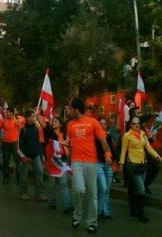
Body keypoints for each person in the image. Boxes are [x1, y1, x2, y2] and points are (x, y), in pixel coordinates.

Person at [66, 98, 111, 234]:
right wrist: (67, 162)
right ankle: (77, 214)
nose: (68, 111)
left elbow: (102, 139)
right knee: (78, 189)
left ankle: (91, 222)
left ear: (76, 110)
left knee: (92, 193)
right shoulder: (70, 125)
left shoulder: (93, 122)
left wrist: (107, 155)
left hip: (91, 161)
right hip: (76, 161)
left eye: (70, 108)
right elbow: (69, 144)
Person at [118, 116, 162, 223]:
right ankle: (141, 213)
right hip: (132, 165)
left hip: (143, 164)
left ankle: (133, 209)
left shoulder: (143, 134)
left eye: (138, 123)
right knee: (141, 189)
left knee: (137, 188)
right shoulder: (127, 136)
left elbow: (148, 148)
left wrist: (158, 157)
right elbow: (123, 151)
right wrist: (121, 164)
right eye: (134, 123)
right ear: (130, 125)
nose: (136, 125)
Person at [17, 110, 47, 202]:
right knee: (24, 175)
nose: (35, 119)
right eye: (33, 117)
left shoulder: (36, 128)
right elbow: (19, 144)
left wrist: (39, 153)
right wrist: (22, 156)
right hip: (26, 156)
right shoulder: (23, 129)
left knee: (40, 173)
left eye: (35, 117)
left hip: (36, 155)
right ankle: (23, 193)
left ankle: (38, 194)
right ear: (28, 118)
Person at [44, 117, 72, 212]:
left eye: (56, 121)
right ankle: (52, 202)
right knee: (52, 183)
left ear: (61, 124)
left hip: (63, 160)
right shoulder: (50, 133)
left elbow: (69, 144)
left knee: (64, 183)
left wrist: (67, 143)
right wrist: (61, 143)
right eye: (53, 121)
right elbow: (49, 143)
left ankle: (67, 205)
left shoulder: (64, 135)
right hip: (53, 160)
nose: (53, 123)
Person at [96, 117, 114, 219]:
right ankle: (98, 210)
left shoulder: (108, 137)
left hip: (108, 164)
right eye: (101, 124)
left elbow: (111, 149)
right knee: (102, 187)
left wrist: (116, 162)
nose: (103, 126)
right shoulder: (95, 137)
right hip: (98, 163)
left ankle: (105, 211)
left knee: (107, 189)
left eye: (104, 124)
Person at [0, 107, 23, 185]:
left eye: (8, 112)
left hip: (15, 144)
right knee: (5, 162)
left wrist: (19, 120)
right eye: (6, 112)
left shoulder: (17, 120)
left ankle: (19, 179)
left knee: (18, 162)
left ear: (12, 113)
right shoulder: (4, 121)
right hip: (5, 144)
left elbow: (24, 119)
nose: (6, 114)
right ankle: (5, 178)